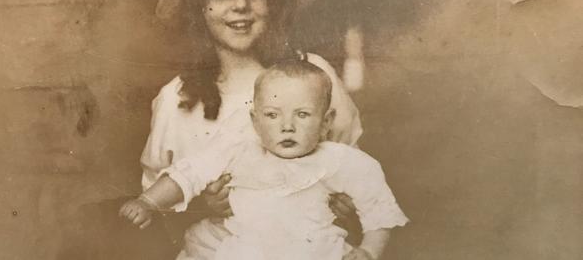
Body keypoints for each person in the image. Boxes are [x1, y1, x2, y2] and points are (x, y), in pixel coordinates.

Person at [137, 0, 365, 258]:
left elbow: (352, 171)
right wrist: (203, 205)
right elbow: (153, 207)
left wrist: (345, 203)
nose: (240, 5)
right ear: (199, 6)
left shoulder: (314, 75)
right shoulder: (176, 99)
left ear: (274, 1)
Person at [121, 60, 409, 260]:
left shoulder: (342, 161)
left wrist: (369, 251)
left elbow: (379, 209)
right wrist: (148, 202)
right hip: (244, 249)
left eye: (303, 114)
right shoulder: (238, 150)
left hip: (313, 251)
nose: (287, 126)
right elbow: (188, 174)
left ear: (325, 122)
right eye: (272, 115)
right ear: (255, 121)